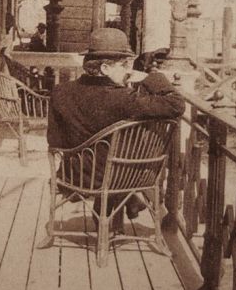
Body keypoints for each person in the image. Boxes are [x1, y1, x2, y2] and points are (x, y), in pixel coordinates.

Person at [47, 27, 185, 230]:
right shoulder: (123, 99)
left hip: (75, 175)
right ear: (104, 69)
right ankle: (128, 201)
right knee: (125, 150)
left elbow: (54, 140)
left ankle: (123, 205)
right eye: (124, 64)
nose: (129, 70)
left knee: (107, 154)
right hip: (123, 177)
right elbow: (176, 104)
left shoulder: (60, 92)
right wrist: (151, 75)